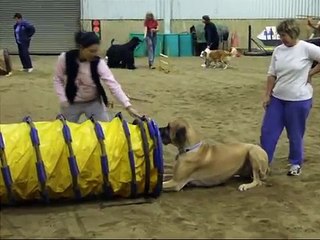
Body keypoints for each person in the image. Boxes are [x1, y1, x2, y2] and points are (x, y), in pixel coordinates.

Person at [260, 19, 320, 176]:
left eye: (284, 35)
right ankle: (263, 164)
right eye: (279, 35)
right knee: (268, 132)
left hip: (299, 100)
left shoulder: (307, 48)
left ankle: (295, 163)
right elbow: (272, 74)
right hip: (277, 99)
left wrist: (311, 73)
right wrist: (267, 94)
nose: (281, 38)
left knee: (295, 134)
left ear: (293, 33)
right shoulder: (278, 50)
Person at [53, 31, 143, 123]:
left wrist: (127, 106)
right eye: (91, 51)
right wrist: (63, 99)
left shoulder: (99, 63)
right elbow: (58, 80)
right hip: (71, 103)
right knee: (64, 131)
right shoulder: (64, 59)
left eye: (96, 51)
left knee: (104, 131)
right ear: (81, 48)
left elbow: (112, 84)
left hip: (93, 102)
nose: (94, 54)